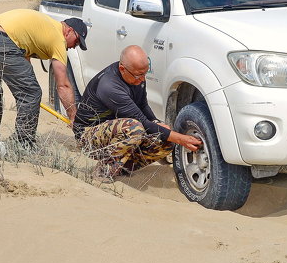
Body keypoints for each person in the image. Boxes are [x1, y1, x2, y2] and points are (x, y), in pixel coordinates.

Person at [73, 45, 203, 179]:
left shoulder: (136, 75)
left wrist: (156, 122)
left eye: (145, 74)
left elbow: (142, 105)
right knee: (134, 129)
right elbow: (142, 122)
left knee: (165, 138)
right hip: (88, 136)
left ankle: (122, 168)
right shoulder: (109, 86)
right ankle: (103, 173)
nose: (142, 79)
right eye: (139, 75)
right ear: (122, 69)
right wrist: (181, 139)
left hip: (116, 131)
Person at [0, 9, 87, 149]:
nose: (73, 47)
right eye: (76, 42)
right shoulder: (58, 38)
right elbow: (63, 85)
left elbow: (24, 50)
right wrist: (73, 117)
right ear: (69, 31)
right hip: (2, 42)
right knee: (31, 94)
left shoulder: (46, 26)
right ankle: (23, 145)